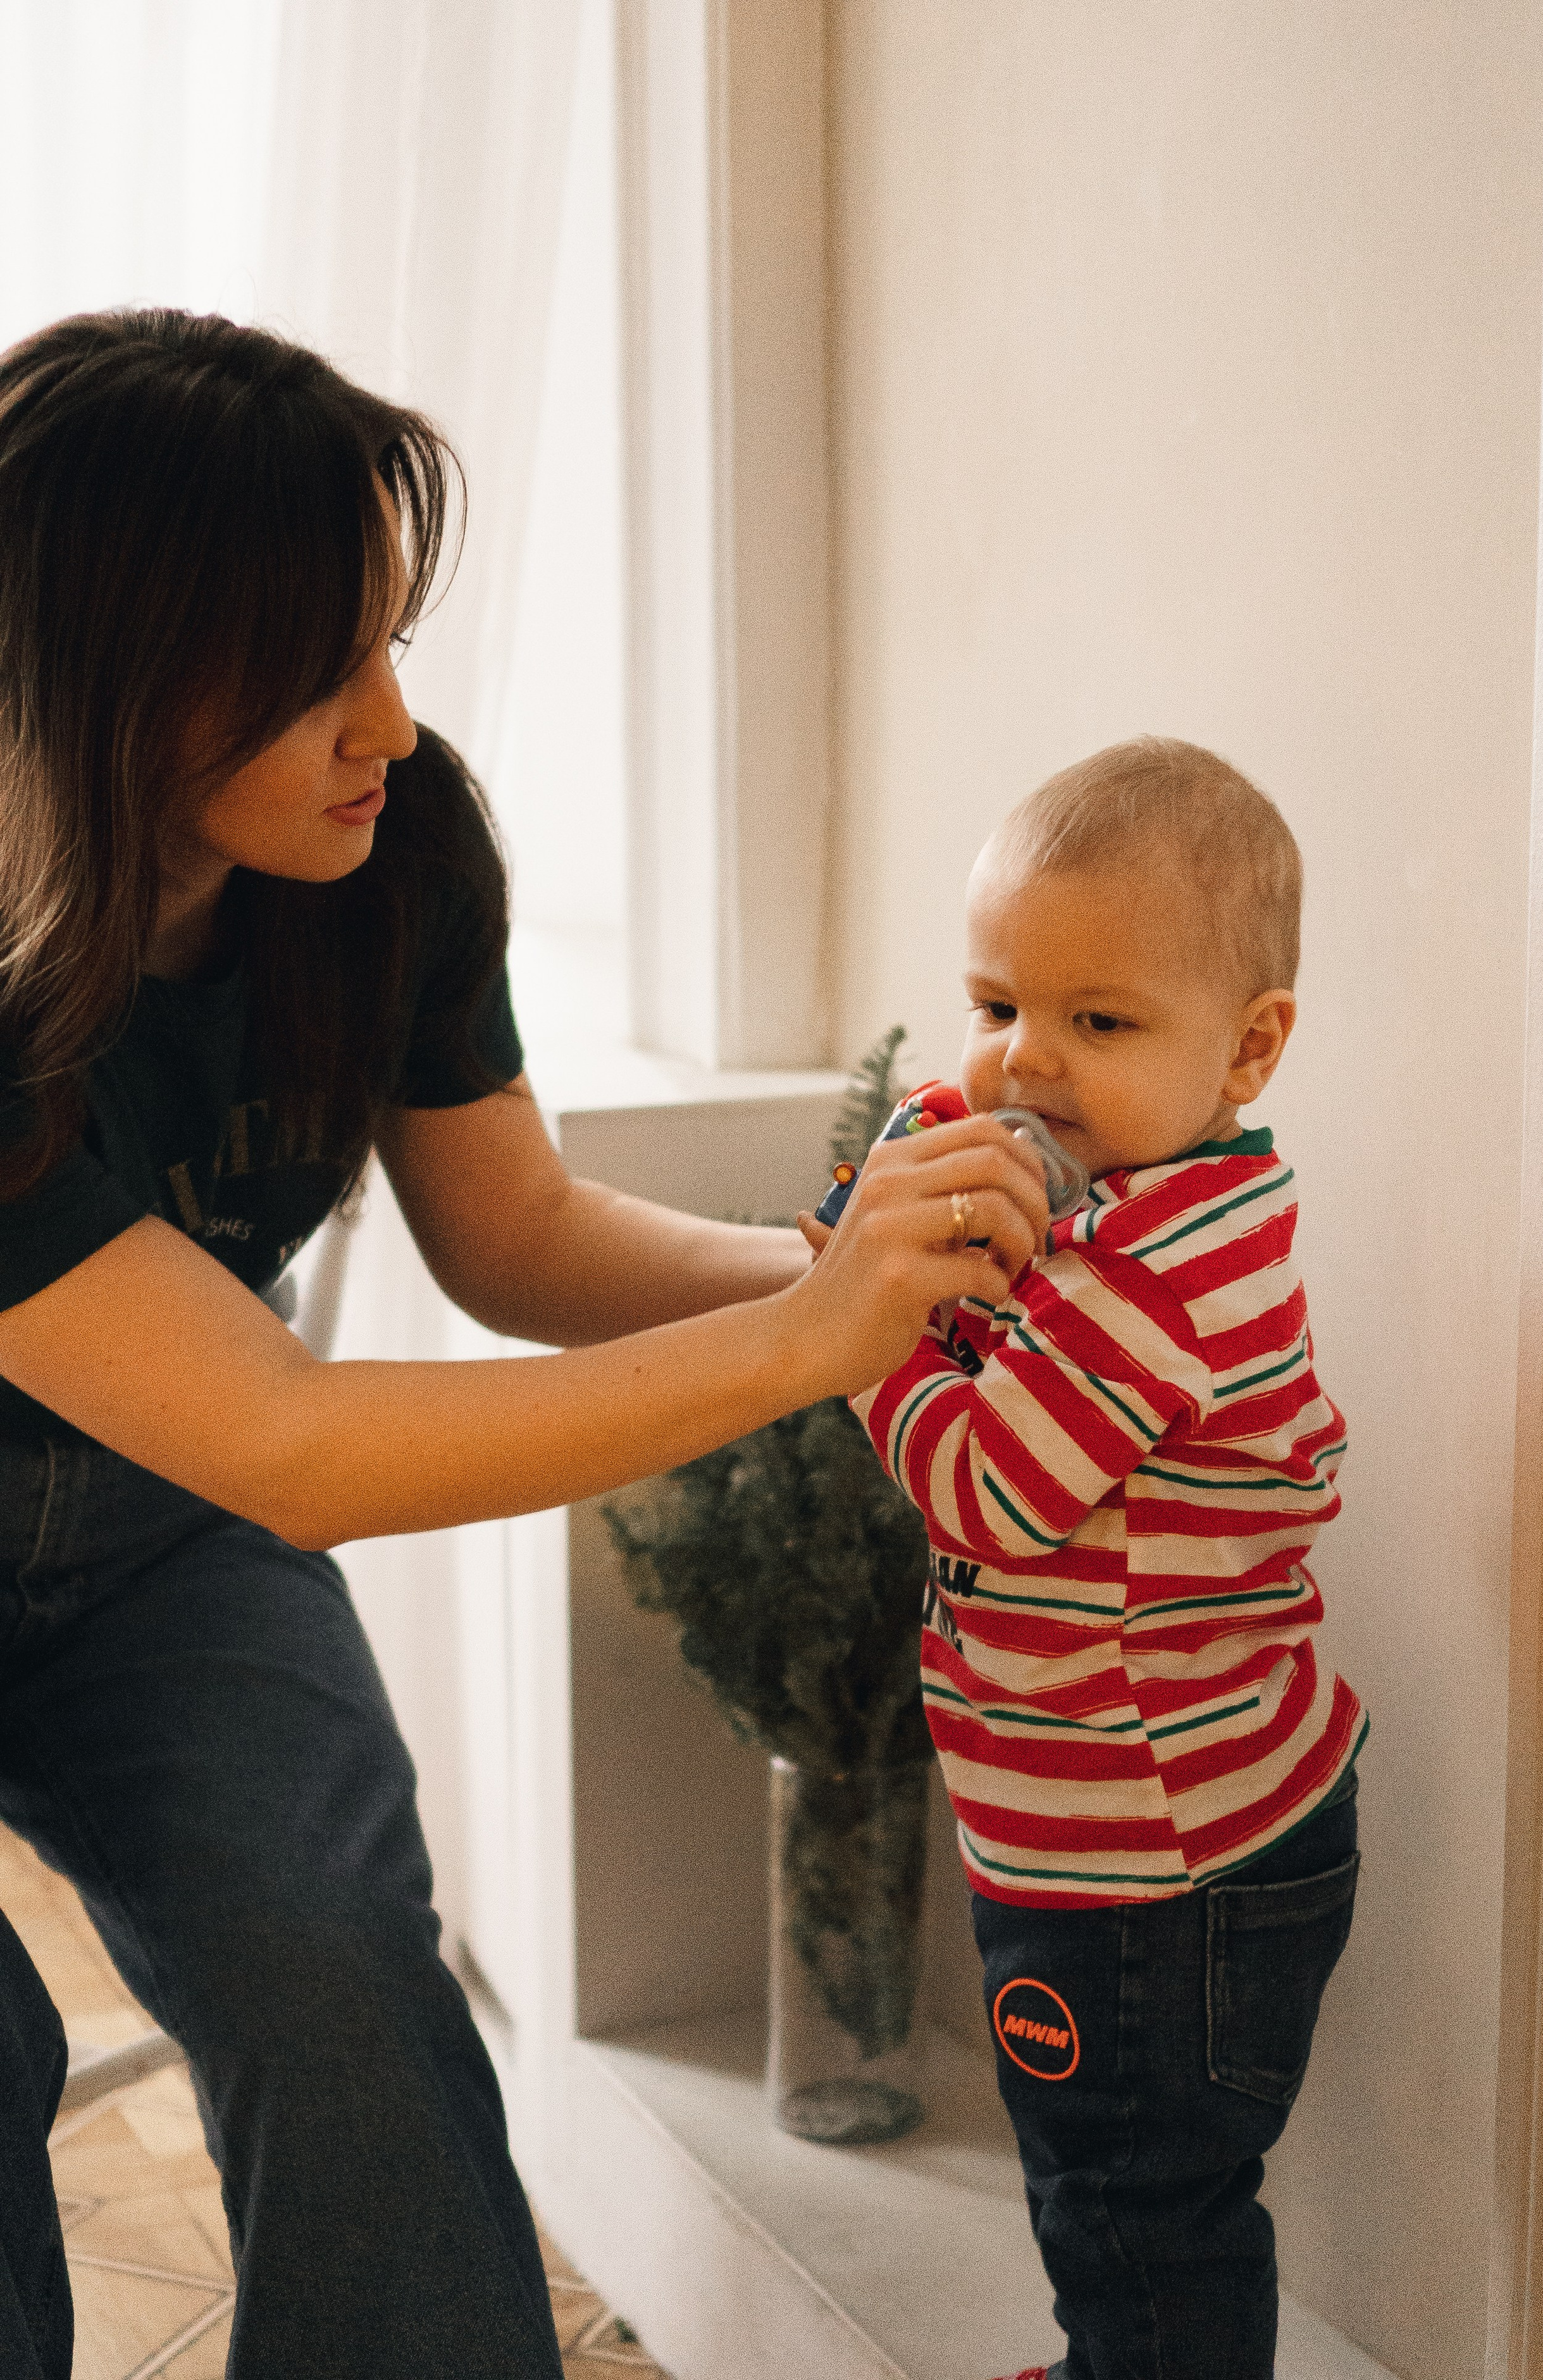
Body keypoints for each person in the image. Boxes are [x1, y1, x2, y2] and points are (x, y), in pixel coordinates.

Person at [0, 308, 1050, 2380]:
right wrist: (815, 1341)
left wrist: (845, 1265)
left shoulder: (390, 854)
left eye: (391, 644)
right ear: (111, 681)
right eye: (319, 672)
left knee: (340, 1970)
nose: (389, 725)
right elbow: (292, 1445)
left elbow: (520, 1236)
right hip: (223, 1461)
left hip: (149, 1541)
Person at [833, 740, 1367, 2380]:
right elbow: (1015, 1341)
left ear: (1249, 1048)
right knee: (1113, 2191)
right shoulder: (1135, 1218)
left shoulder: (1155, 1279)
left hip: (1151, 1870)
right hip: (1144, 1831)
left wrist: (858, 1337)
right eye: (997, 1004)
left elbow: (988, 1490)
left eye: (1101, 1023)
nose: (1024, 1062)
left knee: (1137, 2205)